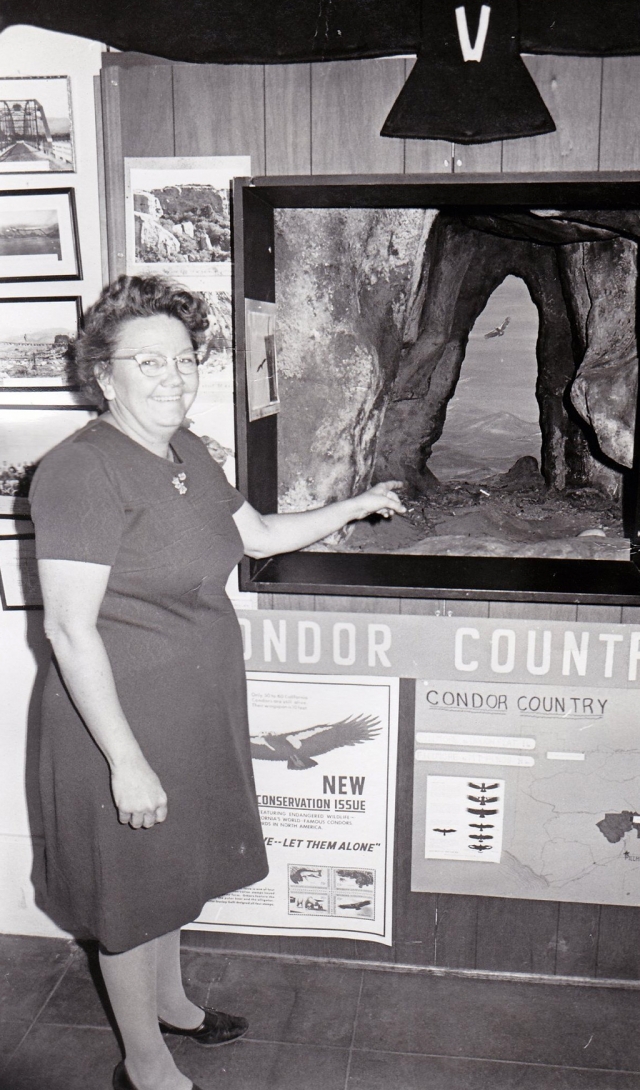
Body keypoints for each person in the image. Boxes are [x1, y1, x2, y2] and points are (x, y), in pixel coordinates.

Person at [29, 274, 405, 1090]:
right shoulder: (80, 472)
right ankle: (146, 1065)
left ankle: (171, 1004)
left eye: (184, 358)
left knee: (172, 871)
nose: (173, 376)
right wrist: (126, 762)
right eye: (148, 361)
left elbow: (259, 534)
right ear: (104, 376)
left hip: (193, 707)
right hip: (119, 721)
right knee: (133, 894)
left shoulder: (187, 451)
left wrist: (354, 505)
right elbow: (68, 630)